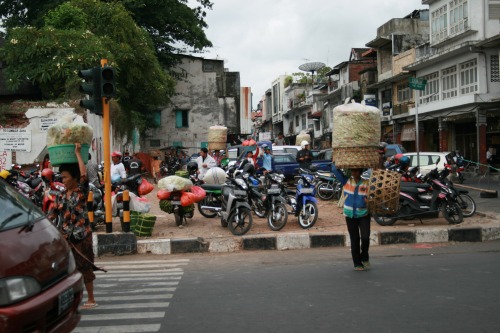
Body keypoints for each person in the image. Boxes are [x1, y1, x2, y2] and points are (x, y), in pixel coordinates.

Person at [47, 143, 98, 309]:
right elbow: (52, 215)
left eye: (66, 177)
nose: (63, 180)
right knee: (67, 269)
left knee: (85, 268)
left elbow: (84, 175)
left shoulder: (81, 191)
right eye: (62, 178)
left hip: (82, 236)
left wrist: (77, 153)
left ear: (74, 178)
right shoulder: (61, 195)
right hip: (66, 237)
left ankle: (91, 299)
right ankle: (72, 300)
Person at [331, 162, 371, 271]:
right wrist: (335, 160)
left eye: (357, 170)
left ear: (361, 171)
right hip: (350, 215)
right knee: (355, 239)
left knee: (365, 237)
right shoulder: (346, 181)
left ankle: (365, 257)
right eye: (353, 171)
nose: (354, 173)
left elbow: (376, 182)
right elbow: (335, 170)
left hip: (364, 214)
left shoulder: (366, 183)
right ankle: (357, 263)